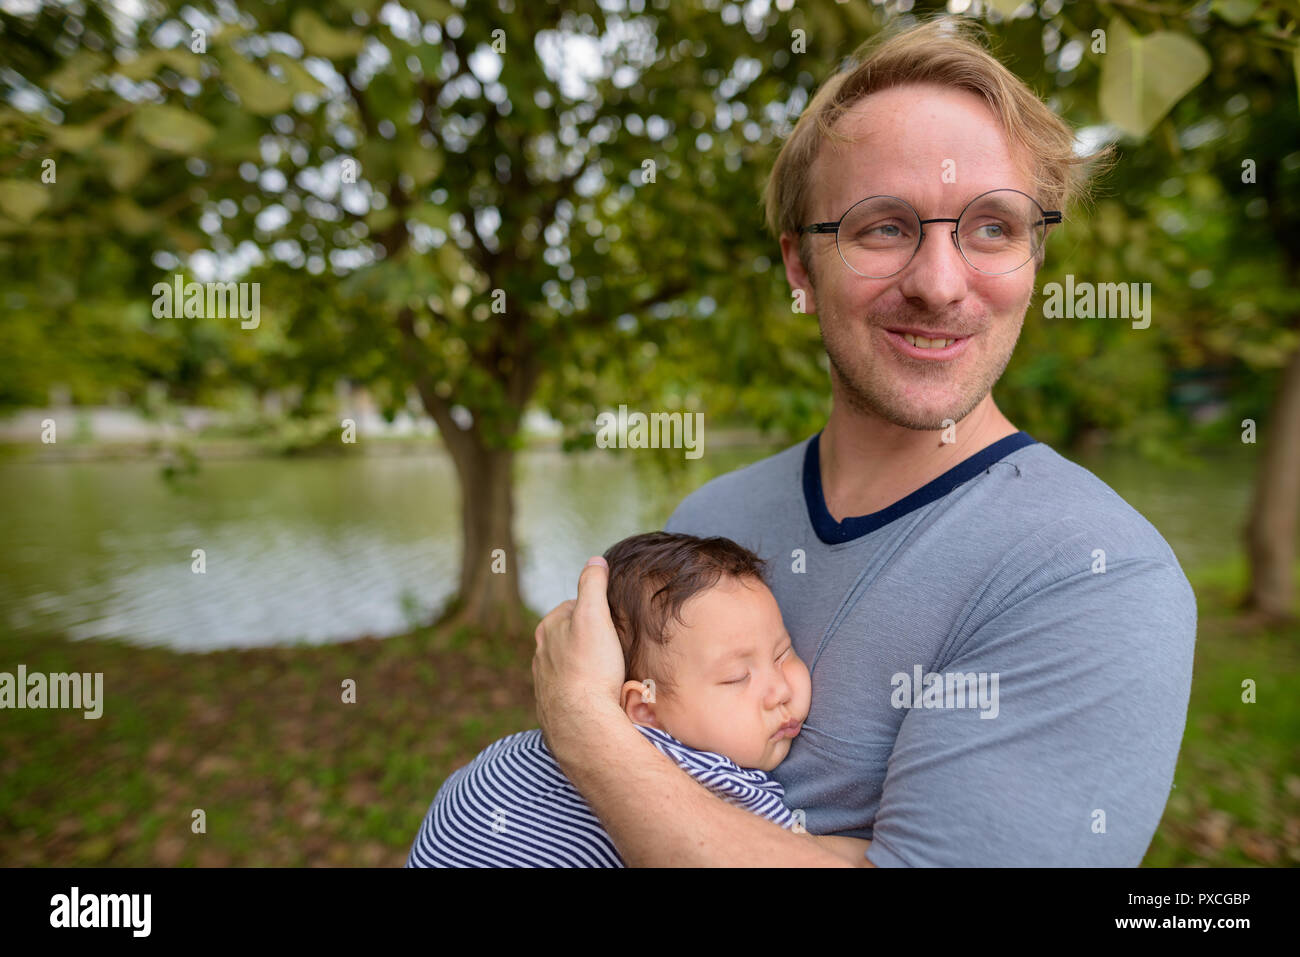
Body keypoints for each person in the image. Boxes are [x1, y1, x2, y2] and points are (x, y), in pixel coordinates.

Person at [531, 16, 1197, 867]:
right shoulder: (712, 518)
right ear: (801, 269)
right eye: (883, 226)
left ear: (1035, 256)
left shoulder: (1095, 574)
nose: (940, 283)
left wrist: (586, 730)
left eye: (992, 226)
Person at [408, 532, 873, 867]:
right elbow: (790, 853)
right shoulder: (713, 781)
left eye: (782, 652)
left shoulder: (510, 752)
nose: (780, 690)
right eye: (736, 678)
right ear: (645, 710)